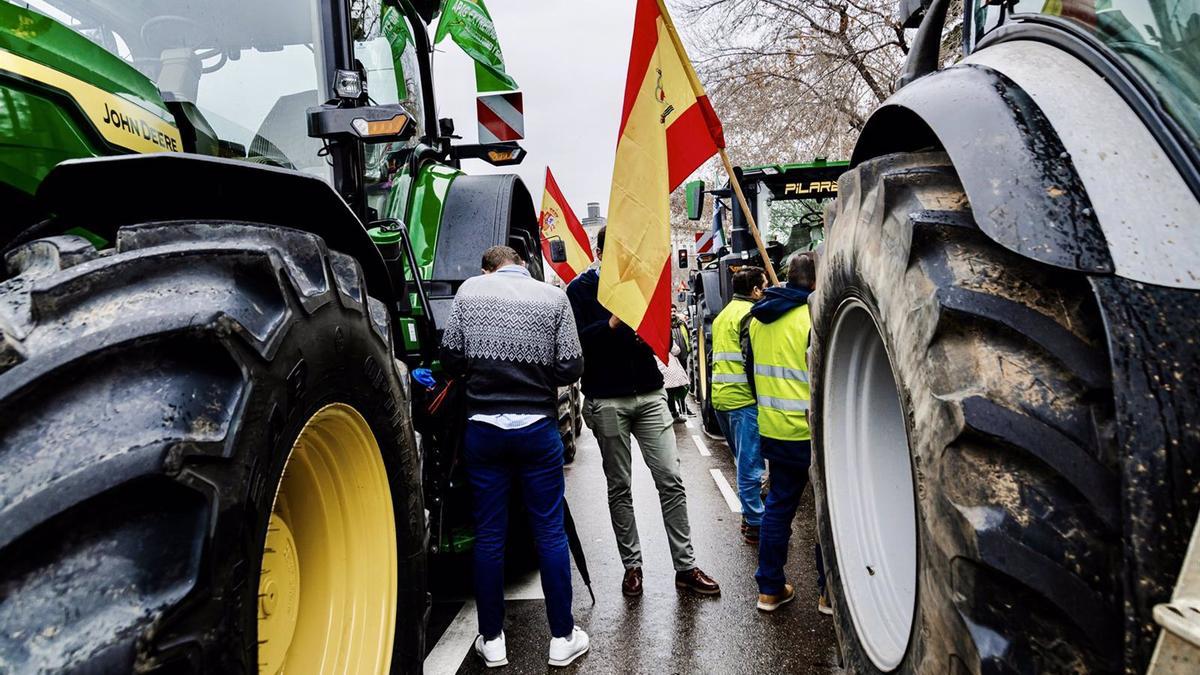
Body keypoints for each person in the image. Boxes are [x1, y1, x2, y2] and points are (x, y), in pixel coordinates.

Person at [441, 245, 590, 668]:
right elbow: (572, 366)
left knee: (490, 536)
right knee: (549, 532)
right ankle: (562, 637)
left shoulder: (470, 292)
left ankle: (493, 641)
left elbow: (451, 359)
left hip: (484, 430)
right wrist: (536, 369)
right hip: (537, 430)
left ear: (488, 267)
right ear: (523, 264)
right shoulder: (552, 297)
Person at [567, 227, 720, 597]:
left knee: (670, 477)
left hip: (650, 393)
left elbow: (663, 339)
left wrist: (654, 330)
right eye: (615, 251)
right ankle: (632, 566)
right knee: (620, 486)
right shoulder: (580, 290)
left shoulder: (642, 283)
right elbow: (578, 341)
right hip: (607, 398)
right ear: (598, 251)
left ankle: (685, 566)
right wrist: (612, 324)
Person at [744, 252, 825, 613]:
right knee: (827, 511)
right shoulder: (812, 316)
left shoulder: (758, 320)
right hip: (811, 431)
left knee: (778, 508)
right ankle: (828, 593)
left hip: (774, 429)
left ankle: (770, 588)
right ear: (815, 281)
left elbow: (751, 374)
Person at [710, 266, 768, 544]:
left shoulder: (723, 316)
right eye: (764, 286)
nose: (765, 290)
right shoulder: (748, 315)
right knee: (750, 466)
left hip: (722, 398)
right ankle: (756, 523)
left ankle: (750, 516)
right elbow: (750, 359)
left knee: (743, 462)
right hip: (743, 399)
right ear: (755, 290)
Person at [659, 311, 691, 423]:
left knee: (664, 393)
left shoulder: (652, 333)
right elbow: (675, 350)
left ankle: (667, 415)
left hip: (658, 366)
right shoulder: (666, 333)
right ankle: (674, 414)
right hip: (668, 365)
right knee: (672, 392)